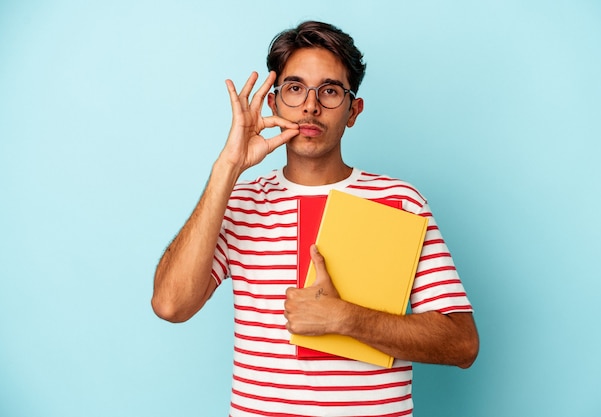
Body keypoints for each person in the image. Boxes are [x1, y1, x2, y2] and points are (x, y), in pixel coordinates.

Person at [152, 20, 479, 417]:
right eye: (295, 88)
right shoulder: (239, 202)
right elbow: (171, 305)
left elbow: (462, 344)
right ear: (273, 104)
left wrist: (345, 318)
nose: (310, 105)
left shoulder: (400, 200)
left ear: (353, 110)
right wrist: (228, 167)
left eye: (329, 90)